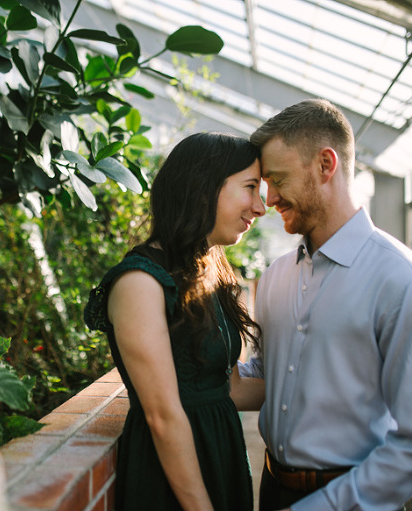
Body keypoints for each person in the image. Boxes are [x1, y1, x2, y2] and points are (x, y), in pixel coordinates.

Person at [240, 98, 412, 511]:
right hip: (271, 490)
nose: (269, 200)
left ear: (325, 165)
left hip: (355, 501)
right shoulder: (275, 277)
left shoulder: (406, 284)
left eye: (278, 180)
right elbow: (268, 374)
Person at [84, 132, 266, 510]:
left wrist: (317, 389)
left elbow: (226, 389)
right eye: (250, 187)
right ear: (203, 187)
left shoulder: (208, 269)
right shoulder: (140, 282)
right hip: (174, 483)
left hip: (220, 457)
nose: (260, 206)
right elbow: (163, 415)